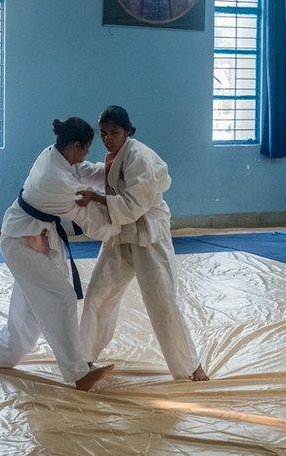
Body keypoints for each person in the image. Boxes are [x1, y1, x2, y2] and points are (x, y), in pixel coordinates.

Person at [0, 118, 119, 391]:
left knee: (25, 312)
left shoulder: (54, 155)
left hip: (29, 235)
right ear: (76, 146)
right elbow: (91, 215)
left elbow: (86, 172)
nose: (87, 154)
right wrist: (124, 219)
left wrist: (112, 170)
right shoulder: (56, 179)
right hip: (21, 242)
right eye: (87, 148)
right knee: (61, 297)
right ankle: (78, 374)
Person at [77, 106, 208, 381]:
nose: (108, 138)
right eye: (103, 133)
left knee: (163, 301)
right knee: (98, 295)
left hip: (148, 236)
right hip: (121, 234)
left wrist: (96, 198)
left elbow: (134, 204)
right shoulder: (116, 156)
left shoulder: (140, 157)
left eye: (114, 132)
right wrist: (71, 165)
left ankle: (190, 366)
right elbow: (107, 176)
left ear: (128, 131)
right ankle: (84, 358)